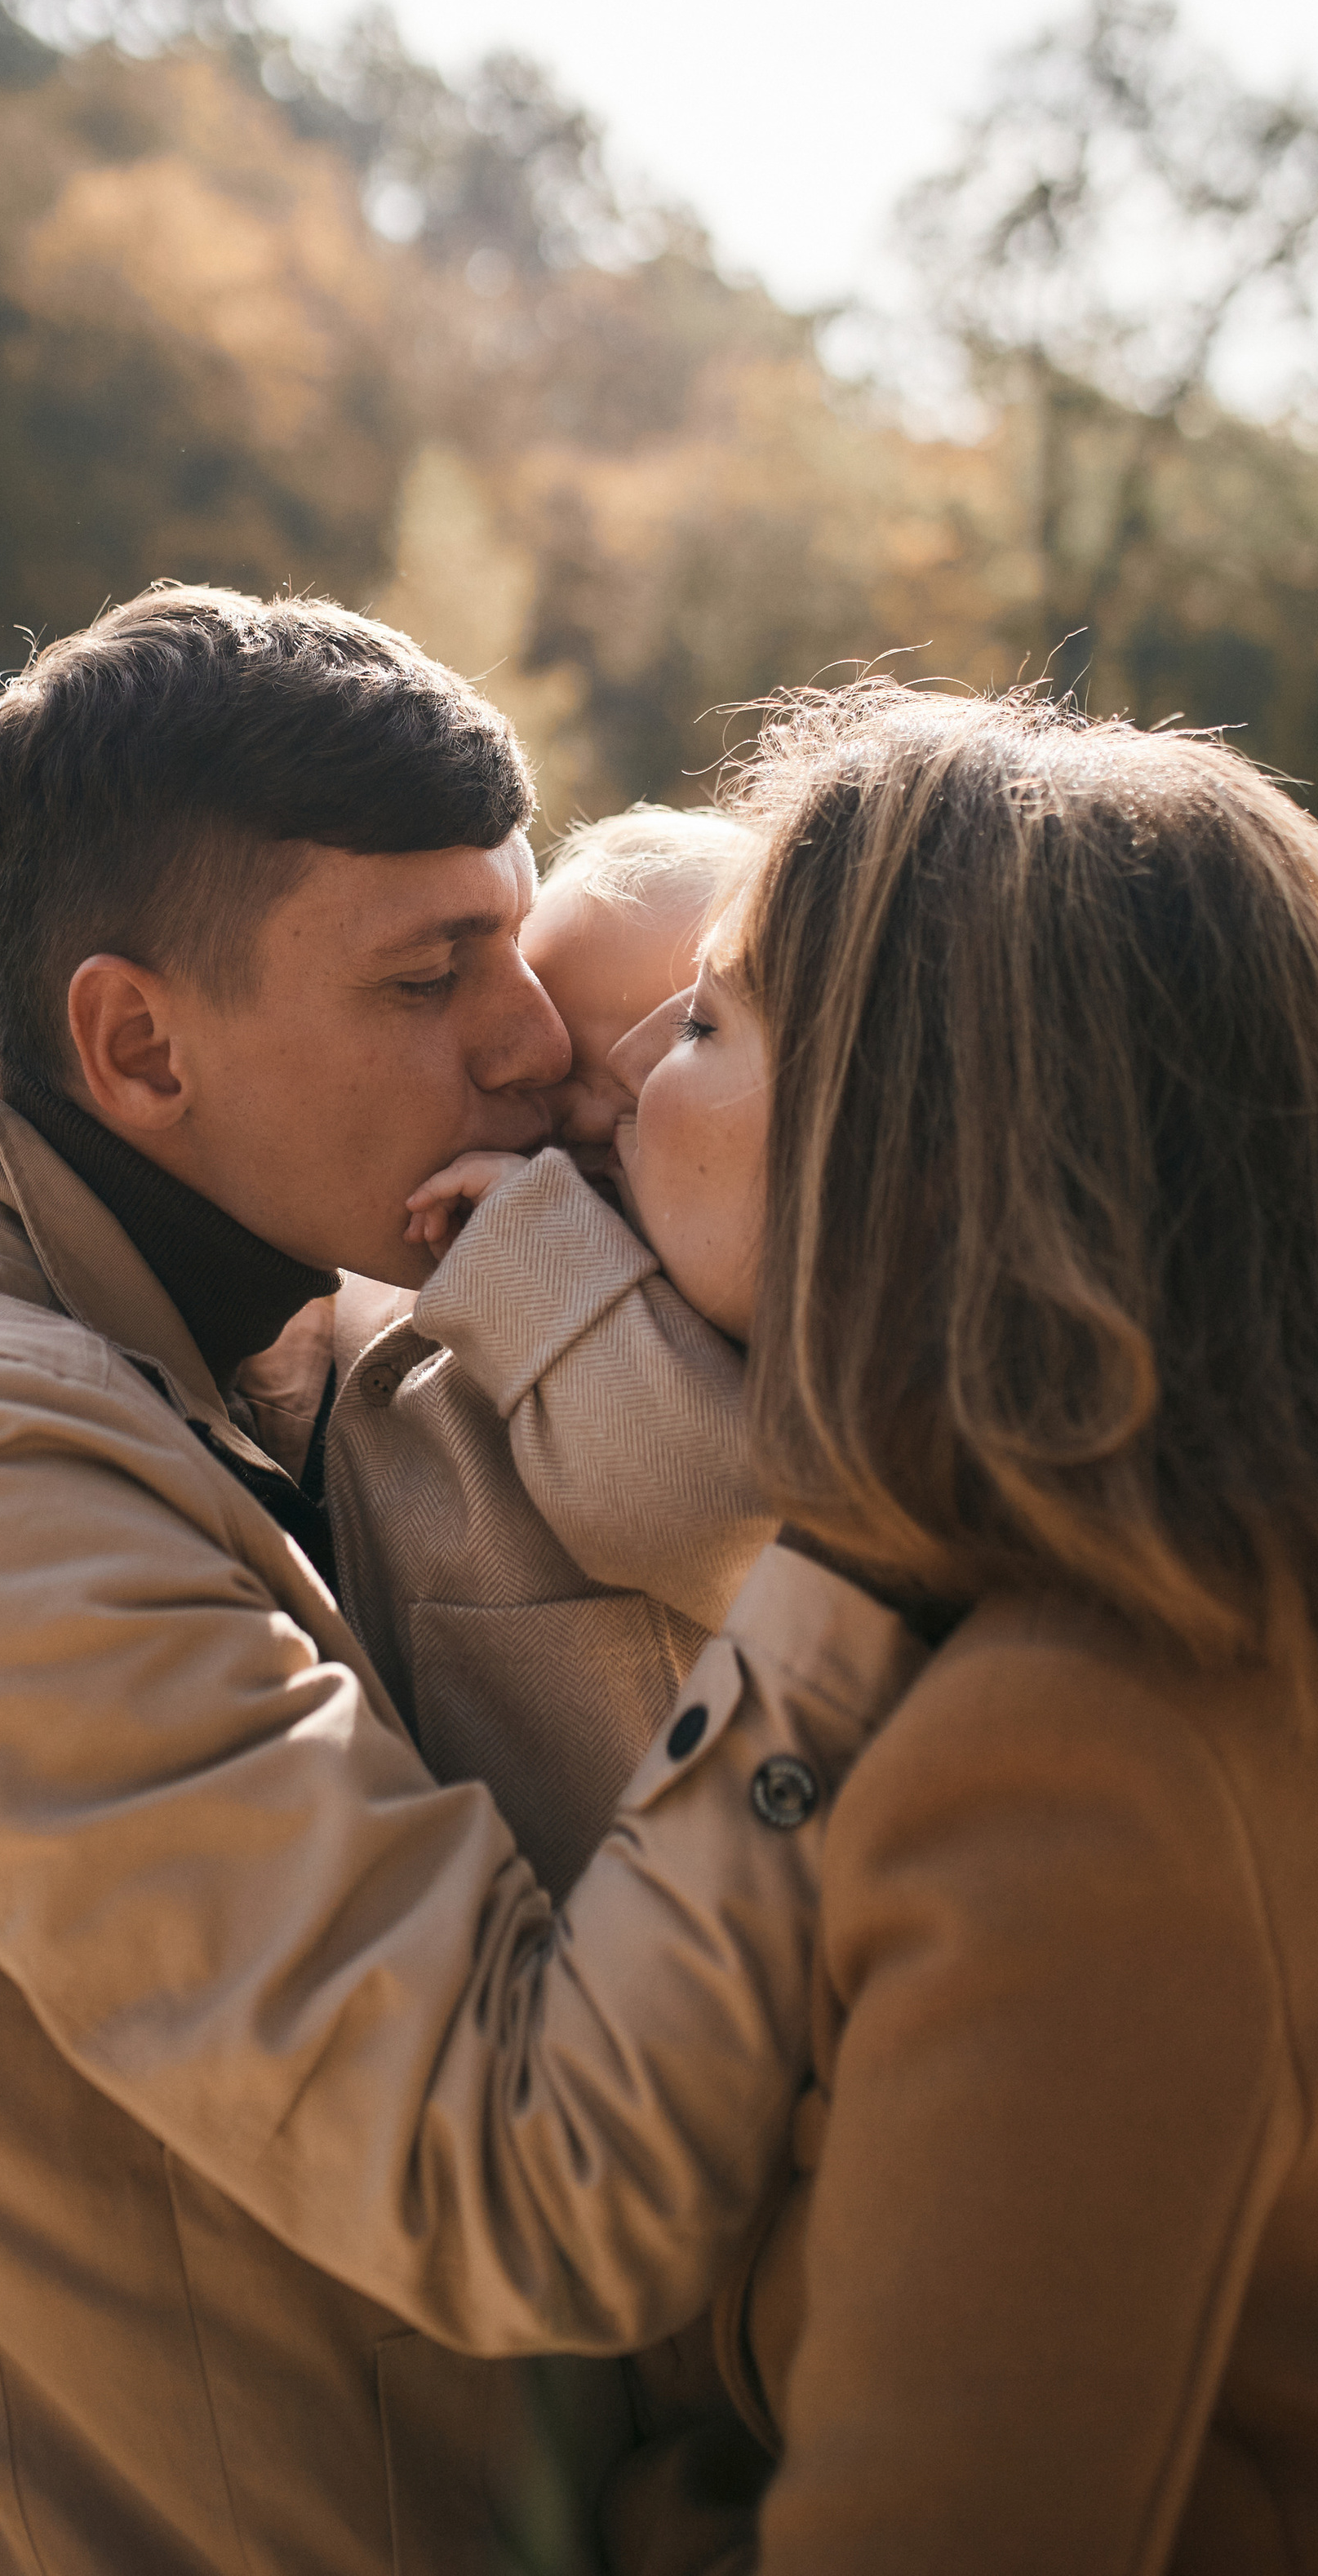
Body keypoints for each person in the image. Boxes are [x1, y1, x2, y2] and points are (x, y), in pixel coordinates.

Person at [0, 588, 921, 2576]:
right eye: (429, 979)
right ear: (136, 1041)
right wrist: (859, 1568)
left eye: (514, 939)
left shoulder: (298, 1290)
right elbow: (538, 2180)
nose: (530, 1038)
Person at [597, 681, 1318, 2576]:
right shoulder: (1296, 1616)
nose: (626, 1075)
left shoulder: (1081, 1765)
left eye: (707, 1018)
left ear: (916, 1142)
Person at [317, 802, 773, 1901]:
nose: (583, 1122)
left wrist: (536, 1251)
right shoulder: (440, 1274)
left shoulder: (800, 1338)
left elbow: (721, 1521)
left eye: (682, 1041)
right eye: (550, 1082)